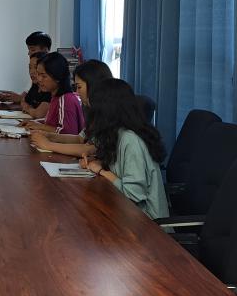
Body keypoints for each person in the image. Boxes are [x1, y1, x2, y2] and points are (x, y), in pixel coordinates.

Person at [78, 78, 169, 220]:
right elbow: (120, 171)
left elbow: (132, 195)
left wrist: (101, 171)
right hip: (125, 212)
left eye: (95, 109)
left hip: (146, 223)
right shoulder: (116, 133)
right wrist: (98, 162)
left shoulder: (130, 140)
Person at [30, 60, 112, 157]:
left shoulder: (107, 114)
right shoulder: (91, 110)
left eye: (79, 87)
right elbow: (80, 139)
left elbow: (88, 149)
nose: (76, 92)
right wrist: (49, 136)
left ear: (94, 86)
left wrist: (48, 145)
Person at [24, 52, 83, 135]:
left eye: (43, 76)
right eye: (38, 74)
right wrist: (34, 122)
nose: (39, 79)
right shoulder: (55, 96)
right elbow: (50, 122)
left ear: (57, 77)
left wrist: (40, 127)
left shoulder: (66, 99)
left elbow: (67, 132)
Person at [0, 31, 53, 105]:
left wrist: (20, 99)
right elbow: (26, 97)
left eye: (32, 50)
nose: (29, 53)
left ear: (45, 50)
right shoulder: (34, 76)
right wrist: (9, 96)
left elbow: (42, 104)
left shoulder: (51, 74)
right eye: (30, 68)